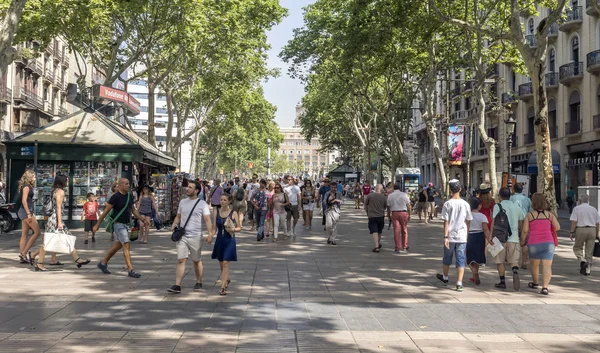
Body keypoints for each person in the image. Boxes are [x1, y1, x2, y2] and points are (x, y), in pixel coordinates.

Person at [94, 178, 150, 278]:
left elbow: (133, 210)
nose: (128, 185)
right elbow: (106, 211)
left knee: (118, 245)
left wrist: (142, 219)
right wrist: (97, 224)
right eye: (126, 184)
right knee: (126, 244)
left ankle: (103, 263)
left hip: (125, 224)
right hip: (118, 224)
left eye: (129, 183)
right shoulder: (115, 197)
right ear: (120, 185)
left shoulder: (129, 195)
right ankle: (130, 269)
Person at [33, 175, 91, 271]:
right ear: (62, 181)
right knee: (47, 241)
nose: (67, 182)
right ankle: (39, 263)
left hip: (53, 218)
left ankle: (77, 259)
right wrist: (59, 222)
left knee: (67, 238)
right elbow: (58, 207)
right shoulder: (60, 192)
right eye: (66, 180)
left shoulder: (54, 190)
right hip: (55, 219)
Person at [168, 181, 213, 294]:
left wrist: (210, 234)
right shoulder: (182, 202)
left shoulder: (202, 204)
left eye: (190, 187)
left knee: (196, 261)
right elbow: (178, 217)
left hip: (196, 236)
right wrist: (174, 224)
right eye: (187, 187)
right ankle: (177, 285)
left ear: (196, 191)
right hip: (182, 236)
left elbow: (207, 220)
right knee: (181, 260)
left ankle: (198, 281)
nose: (187, 189)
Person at [437, 179, 472, 292]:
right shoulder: (466, 204)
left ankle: (445, 278)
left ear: (450, 190)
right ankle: (459, 283)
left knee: (447, 257)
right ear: (460, 189)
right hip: (462, 236)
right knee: (461, 259)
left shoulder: (447, 204)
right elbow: (468, 220)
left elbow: (446, 221)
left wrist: (445, 237)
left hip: (450, 236)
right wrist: (467, 234)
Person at [521, 193, 559, 295]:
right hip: (549, 243)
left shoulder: (530, 215)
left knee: (534, 265)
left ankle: (535, 283)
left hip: (534, 243)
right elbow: (557, 227)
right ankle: (545, 287)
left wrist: (522, 240)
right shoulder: (550, 215)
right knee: (547, 266)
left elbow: (525, 230)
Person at [492, 187, 525, 290]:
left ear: (500, 196)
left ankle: (502, 281)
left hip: (499, 238)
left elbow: (493, 222)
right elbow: (522, 222)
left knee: (499, 261)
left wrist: (490, 237)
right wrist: (521, 237)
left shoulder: (497, 206)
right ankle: (515, 271)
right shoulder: (516, 207)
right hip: (514, 238)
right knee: (513, 260)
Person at [211, 193, 240, 296]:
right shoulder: (216, 212)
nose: (222, 202)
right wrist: (210, 236)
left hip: (230, 240)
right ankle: (226, 279)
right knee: (221, 263)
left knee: (226, 263)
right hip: (220, 240)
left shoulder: (234, 213)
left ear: (229, 201)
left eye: (224, 200)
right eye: (221, 200)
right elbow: (214, 227)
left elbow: (239, 227)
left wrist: (233, 229)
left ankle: (222, 287)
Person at [569, 193, 600, 276]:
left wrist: (571, 232)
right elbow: (597, 223)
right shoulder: (594, 209)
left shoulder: (577, 209)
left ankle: (582, 260)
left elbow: (574, 222)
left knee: (577, 247)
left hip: (581, 229)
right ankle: (588, 270)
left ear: (580, 200)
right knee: (589, 250)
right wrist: (597, 233)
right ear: (588, 200)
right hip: (592, 229)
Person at [17, 170, 42, 265]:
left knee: (24, 235)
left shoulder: (27, 186)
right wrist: (28, 213)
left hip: (24, 211)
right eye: (34, 176)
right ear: (30, 177)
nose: (35, 178)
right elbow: (24, 200)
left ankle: (22, 256)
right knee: (37, 232)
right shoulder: (26, 187)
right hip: (26, 212)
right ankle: (23, 253)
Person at [466, 197, 491, 286]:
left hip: (470, 236)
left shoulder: (467, 215)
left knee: (468, 256)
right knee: (477, 257)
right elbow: (485, 229)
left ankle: (474, 272)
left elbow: (466, 227)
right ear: (480, 206)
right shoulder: (482, 216)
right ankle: (475, 273)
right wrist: (489, 239)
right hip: (479, 237)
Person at [511, 183, 532, 269]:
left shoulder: (511, 198)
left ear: (513, 189)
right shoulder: (527, 199)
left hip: (514, 221)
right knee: (525, 242)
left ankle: (513, 261)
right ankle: (524, 262)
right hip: (525, 221)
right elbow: (530, 211)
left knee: (513, 242)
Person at [387, 183, 412, 252]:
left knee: (396, 230)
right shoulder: (404, 194)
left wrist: (388, 215)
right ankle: (405, 246)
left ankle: (398, 247)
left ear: (393, 188)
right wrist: (409, 214)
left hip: (394, 213)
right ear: (400, 188)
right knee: (404, 229)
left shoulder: (390, 196)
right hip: (403, 213)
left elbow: (388, 207)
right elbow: (409, 205)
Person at [365, 184, 387, 253]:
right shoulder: (384, 197)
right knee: (379, 231)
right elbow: (385, 207)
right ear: (381, 189)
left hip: (372, 216)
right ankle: (377, 244)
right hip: (380, 216)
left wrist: (367, 212)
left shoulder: (370, 195)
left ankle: (376, 246)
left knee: (374, 231)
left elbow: (366, 204)